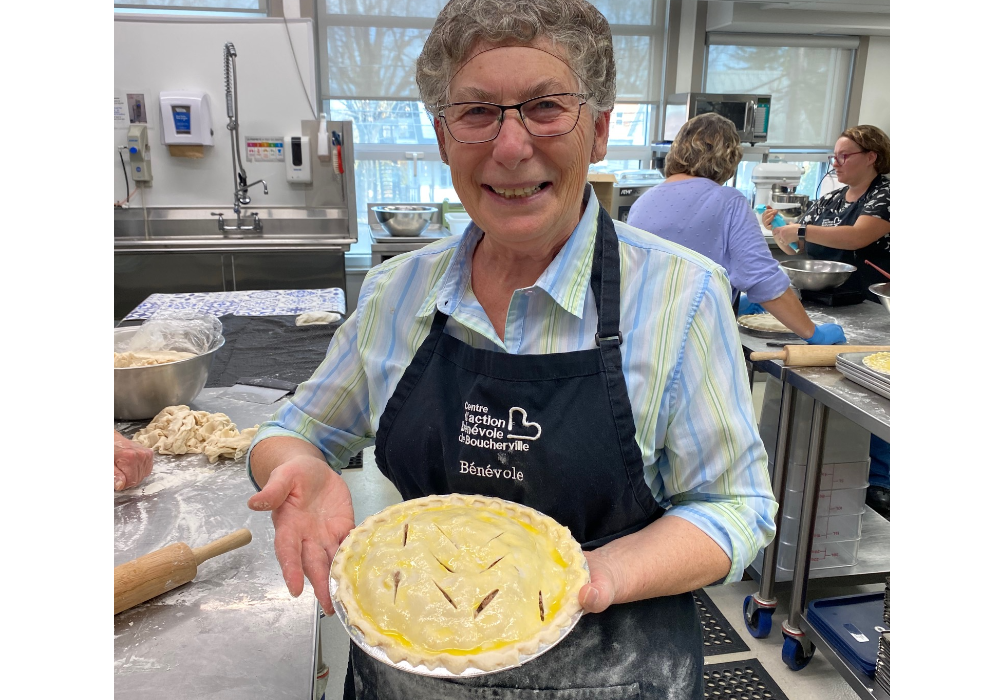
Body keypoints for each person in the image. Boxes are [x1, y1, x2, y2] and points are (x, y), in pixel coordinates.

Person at [245, 2, 777, 697]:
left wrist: (599, 576)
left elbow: (736, 506)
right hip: (412, 673)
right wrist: (296, 467)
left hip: (616, 673)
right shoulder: (395, 293)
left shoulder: (685, 297)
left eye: (546, 107)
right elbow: (291, 431)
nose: (510, 146)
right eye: (475, 113)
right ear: (442, 137)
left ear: (599, 130)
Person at [628, 112, 846, 345]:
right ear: (729, 157)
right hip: (694, 342)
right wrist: (813, 333)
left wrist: (731, 298)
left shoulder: (644, 201)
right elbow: (763, 280)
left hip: (640, 337)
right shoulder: (727, 201)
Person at [763, 125, 891, 516]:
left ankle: (881, 481)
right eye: (834, 155)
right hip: (822, 304)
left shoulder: (885, 195)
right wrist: (782, 228)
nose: (835, 163)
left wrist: (798, 227)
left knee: (870, 391)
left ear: (871, 157)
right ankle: (831, 463)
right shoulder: (832, 199)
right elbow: (802, 246)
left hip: (870, 308)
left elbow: (855, 238)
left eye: (844, 155)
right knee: (828, 390)